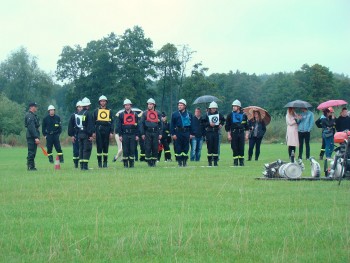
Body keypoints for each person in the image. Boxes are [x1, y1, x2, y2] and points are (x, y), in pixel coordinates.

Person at [116, 99, 139, 168]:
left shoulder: (135, 114)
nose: (127, 106)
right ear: (124, 106)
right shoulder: (121, 115)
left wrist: (137, 135)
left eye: (128, 105)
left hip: (132, 134)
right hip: (125, 134)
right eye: (126, 105)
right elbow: (119, 126)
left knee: (132, 149)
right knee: (125, 150)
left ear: (130, 105)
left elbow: (137, 125)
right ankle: (125, 164)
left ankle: (131, 164)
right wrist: (120, 135)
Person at [225, 99, 249, 166]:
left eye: (235, 106)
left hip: (241, 133)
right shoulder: (230, 115)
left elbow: (247, 126)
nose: (233, 107)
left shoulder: (244, 115)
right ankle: (235, 162)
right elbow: (227, 126)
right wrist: (229, 135)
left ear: (238, 107)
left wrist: (247, 135)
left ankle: (241, 162)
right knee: (234, 147)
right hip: (233, 133)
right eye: (233, 106)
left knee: (241, 148)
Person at [171, 99, 193, 167]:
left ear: (185, 106)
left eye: (181, 105)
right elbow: (172, 125)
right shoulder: (175, 114)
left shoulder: (189, 114)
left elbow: (192, 124)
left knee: (186, 147)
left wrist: (191, 134)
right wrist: (173, 134)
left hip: (186, 132)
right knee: (178, 147)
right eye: (179, 105)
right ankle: (179, 162)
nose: (179, 106)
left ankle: (185, 161)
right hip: (178, 132)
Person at [140, 98, 162, 167]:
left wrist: (160, 133)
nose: (149, 106)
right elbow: (141, 124)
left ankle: (154, 161)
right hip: (147, 132)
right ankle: (149, 162)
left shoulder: (158, 113)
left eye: (150, 104)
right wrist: (142, 133)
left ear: (154, 105)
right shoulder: (145, 113)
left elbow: (161, 124)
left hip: (155, 132)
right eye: (148, 104)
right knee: (148, 147)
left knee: (155, 147)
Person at [93, 95, 114, 168]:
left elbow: (112, 122)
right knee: (99, 146)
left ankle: (105, 163)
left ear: (106, 102)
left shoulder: (110, 111)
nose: (103, 102)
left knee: (105, 146)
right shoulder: (96, 111)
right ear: (99, 102)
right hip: (98, 129)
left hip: (107, 129)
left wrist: (111, 132)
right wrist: (93, 132)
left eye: (104, 101)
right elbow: (93, 122)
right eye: (101, 101)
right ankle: (99, 163)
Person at [203, 101, 225, 166]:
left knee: (216, 147)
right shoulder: (206, 115)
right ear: (210, 108)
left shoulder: (219, 114)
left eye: (215, 108)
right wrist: (209, 124)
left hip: (216, 132)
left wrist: (221, 124)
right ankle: (209, 162)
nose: (214, 109)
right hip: (209, 132)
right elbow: (202, 123)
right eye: (212, 108)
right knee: (209, 147)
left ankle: (215, 162)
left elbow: (223, 120)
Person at [76, 97, 95, 170]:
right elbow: (90, 125)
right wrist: (90, 135)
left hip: (79, 134)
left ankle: (81, 166)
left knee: (81, 149)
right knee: (86, 149)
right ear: (87, 105)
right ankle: (85, 166)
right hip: (86, 134)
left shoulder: (79, 113)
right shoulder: (88, 113)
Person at [25, 102, 40, 171]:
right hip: (31, 137)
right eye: (35, 106)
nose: (36, 108)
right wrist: (36, 137)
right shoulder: (30, 116)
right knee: (31, 151)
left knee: (33, 152)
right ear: (31, 107)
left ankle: (31, 165)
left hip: (32, 136)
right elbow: (31, 127)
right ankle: (31, 166)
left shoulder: (32, 115)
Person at [68, 100, 83, 168]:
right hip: (75, 135)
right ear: (77, 107)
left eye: (81, 107)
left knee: (82, 150)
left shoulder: (85, 114)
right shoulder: (73, 116)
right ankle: (76, 164)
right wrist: (71, 136)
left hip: (83, 135)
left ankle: (82, 163)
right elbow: (70, 126)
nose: (80, 108)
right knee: (76, 151)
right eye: (79, 107)